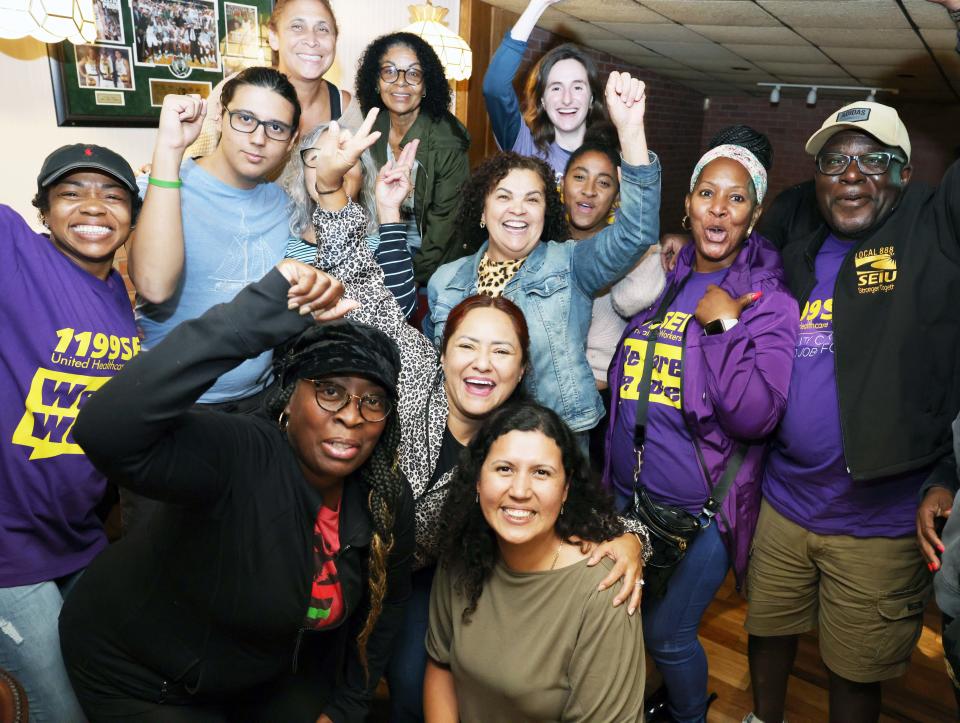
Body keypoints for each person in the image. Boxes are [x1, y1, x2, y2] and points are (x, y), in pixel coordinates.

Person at [303, 114, 648, 722]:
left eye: (501, 352)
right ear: (438, 348)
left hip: (430, 582)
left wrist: (630, 542)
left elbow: (587, 511)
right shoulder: (412, 373)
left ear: (521, 371)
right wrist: (333, 191)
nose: (481, 365)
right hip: (349, 560)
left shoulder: (519, 439)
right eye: (466, 346)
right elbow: (364, 284)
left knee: (413, 685)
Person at [59, 259, 415, 721]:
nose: (351, 414)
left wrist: (346, 708)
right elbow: (105, 431)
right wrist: (256, 316)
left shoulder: (383, 495)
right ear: (290, 399)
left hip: (264, 671)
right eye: (330, 390)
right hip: (143, 677)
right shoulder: (241, 453)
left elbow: (388, 608)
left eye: (373, 400)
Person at [745, 100, 960, 723]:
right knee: (769, 629)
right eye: (835, 160)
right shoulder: (797, 246)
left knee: (854, 670)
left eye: (874, 161)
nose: (851, 174)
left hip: (880, 522)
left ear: (904, 174)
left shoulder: (932, 234)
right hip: (784, 505)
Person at [604, 138, 799, 723]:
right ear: (687, 205)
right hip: (627, 491)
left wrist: (724, 328)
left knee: (668, 634)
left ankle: (688, 716)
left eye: (736, 198)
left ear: (754, 214)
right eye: (707, 194)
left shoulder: (770, 302)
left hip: (703, 510)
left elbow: (755, 416)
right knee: (624, 620)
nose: (719, 209)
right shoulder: (662, 275)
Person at [426, 70, 659, 440]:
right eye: (504, 197)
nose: (518, 210)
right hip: (465, 443)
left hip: (552, 446)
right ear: (482, 213)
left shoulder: (570, 264)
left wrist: (631, 132)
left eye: (532, 199)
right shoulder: (446, 281)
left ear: (546, 212)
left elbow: (635, 233)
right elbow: (434, 370)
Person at [123, 68, 304, 529]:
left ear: (291, 138)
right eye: (245, 118)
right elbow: (154, 286)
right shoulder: (164, 184)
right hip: (170, 407)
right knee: (156, 566)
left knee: (237, 557)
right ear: (221, 119)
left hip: (254, 408)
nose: (259, 138)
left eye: (275, 127)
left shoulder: (283, 205)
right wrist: (168, 152)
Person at [0, 144, 142, 721]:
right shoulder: (15, 255)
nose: (93, 207)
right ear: (42, 210)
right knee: (58, 712)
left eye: (112, 195)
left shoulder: (122, 297)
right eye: (71, 193)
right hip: (9, 547)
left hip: (80, 537)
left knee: (109, 689)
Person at [424, 401, 645, 722]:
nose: (520, 490)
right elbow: (440, 665)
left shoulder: (603, 592)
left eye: (541, 472)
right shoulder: (462, 554)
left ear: (566, 489)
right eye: (504, 469)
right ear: (477, 480)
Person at [354, 31, 471, 285]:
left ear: (426, 85)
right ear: (376, 80)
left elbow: (442, 234)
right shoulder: (374, 124)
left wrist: (401, 280)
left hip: (431, 267)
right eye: (389, 71)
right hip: (381, 247)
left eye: (414, 73)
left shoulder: (448, 141)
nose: (401, 82)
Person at [280, 122, 418, 318]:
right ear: (303, 176)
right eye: (317, 158)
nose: (333, 167)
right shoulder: (281, 245)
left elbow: (400, 314)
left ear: (364, 174)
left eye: (347, 157)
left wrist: (389, 211)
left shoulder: (381, 245)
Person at [185, 0, 349, 158]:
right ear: (274, 37)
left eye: (323, 29)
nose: (312, 41)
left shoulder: (345, 107)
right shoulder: (239, 88)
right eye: (297, 27)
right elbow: (189, 171)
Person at [482, 0, 608, 180]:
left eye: (577, 87)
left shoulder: (610, 160)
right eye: (556, 88)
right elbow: (495, 86)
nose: (567, 99)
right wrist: (537, 4)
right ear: (542, 100)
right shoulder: (525, 149)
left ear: (591, 98)